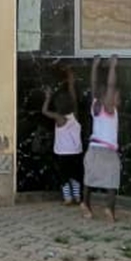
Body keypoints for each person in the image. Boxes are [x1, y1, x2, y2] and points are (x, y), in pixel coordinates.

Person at [82, 54, 121, 221]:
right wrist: (113, 66)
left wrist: (94, 66)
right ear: (109, 97)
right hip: (107, 151)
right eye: (116, 96)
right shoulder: (108, 107)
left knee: (89, 180)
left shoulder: (95, 105)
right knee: (112, 181)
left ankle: (86, 205)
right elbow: (111, 84)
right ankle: (109, 210)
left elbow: (93, 85)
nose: (118, 98)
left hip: (93, 149)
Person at [41, 66, 83, 206]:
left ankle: (68, 198)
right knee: (75, 175)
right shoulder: (75, 115)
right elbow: (74, 98)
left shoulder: (59, 118)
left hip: (63, 154)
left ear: (58, 107)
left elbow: (45, 111)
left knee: (64, 176)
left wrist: (48, 97)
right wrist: (71, 82)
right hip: (76, 152)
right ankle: (77, 197)